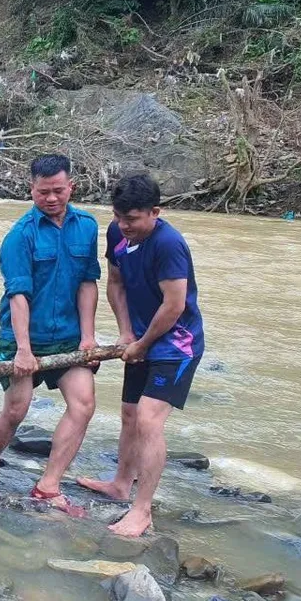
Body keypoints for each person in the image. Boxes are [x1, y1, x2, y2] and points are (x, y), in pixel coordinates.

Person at [77, 173, 205, 537]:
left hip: (176, 345)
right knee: (129, 414)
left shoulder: (169, 244)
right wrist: (125, 332)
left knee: (149, 420)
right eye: (118, 216)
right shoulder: (118, 234)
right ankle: (120, 483)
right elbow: (115, 283)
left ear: (155, 212)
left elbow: (174, 305)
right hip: (141, 338)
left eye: (131, 219)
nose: (123, 225)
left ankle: (142, 510)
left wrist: (143, 344)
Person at [0, 154, 101, 514]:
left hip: (68, 338)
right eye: (43, 192)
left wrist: (88, 338)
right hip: (22, 337)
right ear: (31, 189)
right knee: (16, 410)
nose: (51, 199)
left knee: (84, 404)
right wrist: (24, 350)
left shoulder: (87, 227)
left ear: (70, 187)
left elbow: (88, 283)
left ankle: (49, 485)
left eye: (58, 191)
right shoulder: (20, 236)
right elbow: (19, 296)